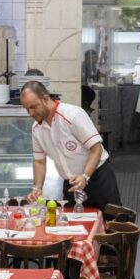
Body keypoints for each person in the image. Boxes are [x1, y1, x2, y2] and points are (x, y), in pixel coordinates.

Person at [22, 81, 122, 210]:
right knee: (76, 225)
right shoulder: (37, 128)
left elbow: (96, 149)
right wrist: (37, 188)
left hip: (98, 178)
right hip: (71, 184)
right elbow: (39, 161)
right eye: (26, 109)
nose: (30, 113)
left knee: (111, 223)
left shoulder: (73, 115)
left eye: (33, 107)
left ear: (45, 99)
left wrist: (85, 176)